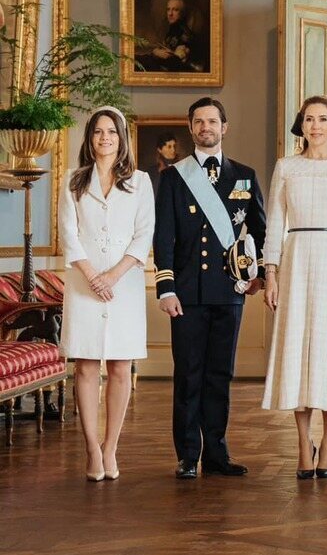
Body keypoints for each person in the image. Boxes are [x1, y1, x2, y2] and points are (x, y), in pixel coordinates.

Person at [154, 96, 266, 478]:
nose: (206, 127)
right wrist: (165, 287)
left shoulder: (245, 176)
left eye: (213, 121)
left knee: (220, 374)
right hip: (186, 292)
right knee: (188, 374)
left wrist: (259, 275)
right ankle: (188, 455)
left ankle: (217, 453)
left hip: (228, 291)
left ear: (224, 127)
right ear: (191, 128)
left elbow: (261, 232)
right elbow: (164, 236)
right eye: (199, 122)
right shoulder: (172, 177)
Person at [262, 96, 327, 476]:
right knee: (298, 350)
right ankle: (302, 445)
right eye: (309, 119)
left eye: (323, 119)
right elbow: (274, 221)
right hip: (296, 258)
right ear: (301, 125)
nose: (316, 126)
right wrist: (270, 273)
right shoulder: (286, 167)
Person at [59, 107, 155, 482]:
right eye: (98, 132)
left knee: (119, 366)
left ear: (121, 138)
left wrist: (112, 276)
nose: (105, 138)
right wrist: (91, 275)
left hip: (124, 284)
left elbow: (143, 233)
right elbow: (68, 233)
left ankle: (111, 447)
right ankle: (91, 449)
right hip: (83, 282)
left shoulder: (140, 181)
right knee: (84, 366)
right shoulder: (73, 180)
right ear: (90, 138)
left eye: (111, 132)